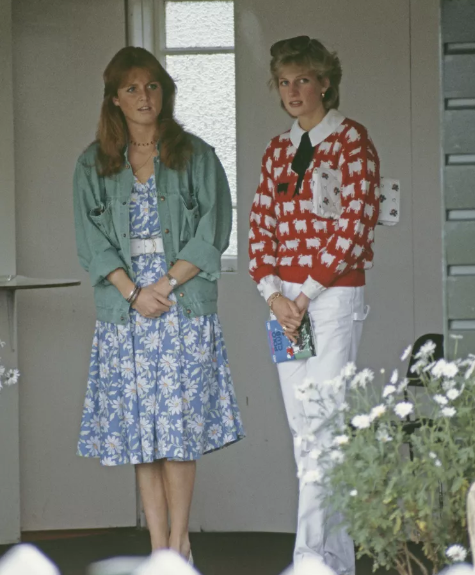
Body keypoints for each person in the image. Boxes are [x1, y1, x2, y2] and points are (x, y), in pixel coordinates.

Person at [73, 46, 245, 563]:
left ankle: (179, 543)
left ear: (165, 92)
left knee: (177, 432)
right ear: (114, 99)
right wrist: (133, 292)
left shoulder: (197, 155)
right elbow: (92, 241)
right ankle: (157, 550)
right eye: (131, 88)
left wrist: (164, 286)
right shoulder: (93, 163)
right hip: (126, 312)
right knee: (139, 436)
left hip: (180, 305)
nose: (144, 96)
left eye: (152, 86)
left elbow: (212, 230)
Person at [248, 36, 380, 572]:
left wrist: (303, 293)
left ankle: (306, 557)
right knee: (307, 432)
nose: (292, 91)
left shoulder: (352, 141)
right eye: (284, 82)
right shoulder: (277, 150)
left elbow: (354, 224)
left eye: (302, 79)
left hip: (332, 296)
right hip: (285, 306)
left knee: (323, 425)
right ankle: (334, 559)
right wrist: (273, 295)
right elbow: (260, 228)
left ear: (325, 82)